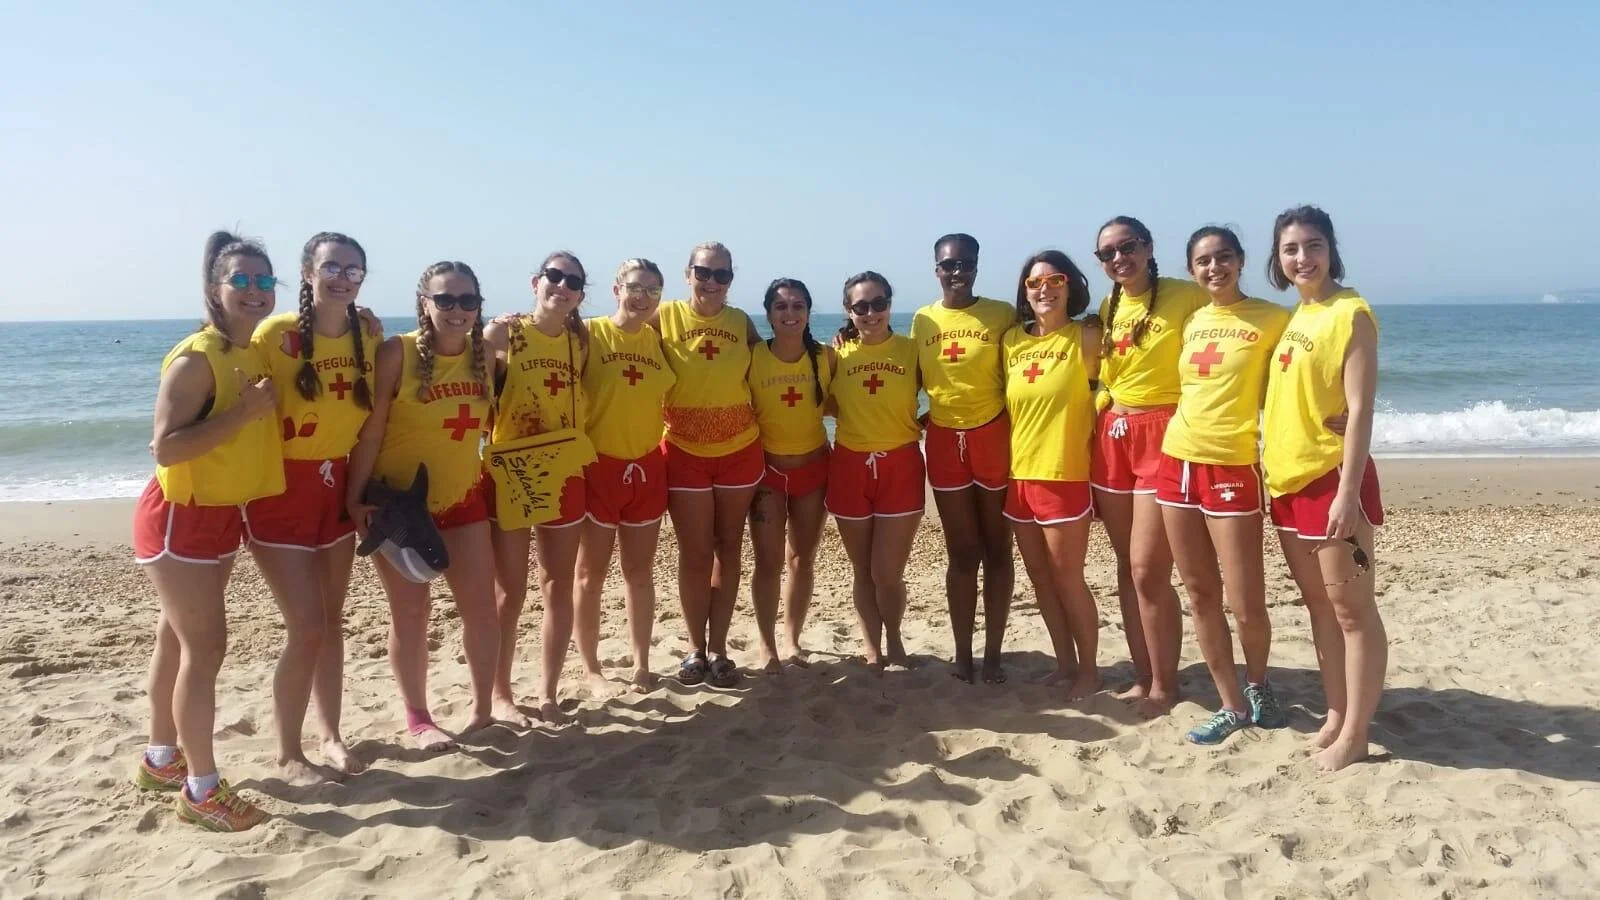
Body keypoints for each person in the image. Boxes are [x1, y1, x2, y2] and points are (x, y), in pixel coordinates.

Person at [132, 230, 285, 831]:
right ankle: (201, 790)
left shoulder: (248, 351)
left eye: (263, 281)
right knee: (206, 648)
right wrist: (245, 413)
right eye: (240, 280)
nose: (253, 291)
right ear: (214, 289)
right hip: (180, 517)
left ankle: (161, 758)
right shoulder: (198, 357)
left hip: (219, 514)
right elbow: (165, 448)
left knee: (176, 639)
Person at [346, 260, 500, 751]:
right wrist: (354, 499)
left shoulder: (487, 358)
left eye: (467, 301)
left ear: (479, 305)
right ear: (425, 304)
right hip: (400, 510)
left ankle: (481, 709)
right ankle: (418, 718)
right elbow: (370, 432)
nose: (457, 310)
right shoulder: (397, 353)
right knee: (411, 614)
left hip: (463, 498)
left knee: (481, 609)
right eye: (445, 300)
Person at [245, 232, 376, 782]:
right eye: (332, 267)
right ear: (307, 272)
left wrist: (356, 491)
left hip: (336, 487)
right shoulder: (273, 336)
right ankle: (288, 753)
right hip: (278, 489)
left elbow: (368, 423)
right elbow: (234, 399)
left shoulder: (366, 334)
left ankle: (331, 737)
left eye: (353, 270)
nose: (343, 277)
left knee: (331, 623)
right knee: (306, 626)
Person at [1262, 205, 1386, 772]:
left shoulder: (1350, 313)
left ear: (1331, 248)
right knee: (1319, 609)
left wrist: (1348, 491)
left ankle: (1356, 734)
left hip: (1332, 480)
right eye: (1290, 249)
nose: (1302, 258)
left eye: (1312, 246)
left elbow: (1360, 410)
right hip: (1287, 480)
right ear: (1278, 258)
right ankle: (1336, 714)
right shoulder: (1299, 315)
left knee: (1353, 612)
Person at [1155, 226, 1291, 744]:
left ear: (1240, 261)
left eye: (1224, 257)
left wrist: (1340, 412)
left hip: (1233, 464)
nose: (1215, 268)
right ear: (1192, 270)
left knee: (1245, 599)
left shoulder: (1273, 319)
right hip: (1176, 459)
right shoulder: (1192, 322)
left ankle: (1259, 684)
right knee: (1199, 593)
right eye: (1204, 261)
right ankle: (1230, 704)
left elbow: (1302, 377)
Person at [1090, 216, 1210, 715]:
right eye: (1107, 253)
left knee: (1147, 567)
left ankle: (1165, 683)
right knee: (1127, 566)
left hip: (1164, 434)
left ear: (1148, 246)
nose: (1119, 258)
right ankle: (1144, 674)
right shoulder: (1108, 305)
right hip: (1113, 435)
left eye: (1128, 246)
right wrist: (1101, 403)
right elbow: (1104, 374)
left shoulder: (1189, 296)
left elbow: (1238, 343)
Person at [484, 251, 589, 725]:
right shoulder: (503, 334)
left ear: (580, 295)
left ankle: (547, 691)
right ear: (535, 282)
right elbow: (478, 401)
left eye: (572, 281)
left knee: (557, 583)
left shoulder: (579, 342)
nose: (561, 285)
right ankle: (500, 693)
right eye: (554, 276)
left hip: (564, 470)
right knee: (509, 591)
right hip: (512, 471)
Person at [912, 233, 1017, 684]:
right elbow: (907, 372)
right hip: (943, 440)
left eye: (966, 263)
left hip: (992, 436)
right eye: (948, 264)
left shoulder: (1001, 315)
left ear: (976, 266)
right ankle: (961, 654)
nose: (957, 271)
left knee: (997, 548)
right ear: (936, 268)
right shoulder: (922, 321)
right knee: (961, 552)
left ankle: (993, 654)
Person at [657, 242, 762, 688]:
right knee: (695, 553)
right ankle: (694, 648)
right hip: (683, 452)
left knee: (729, 548)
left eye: (722, 275)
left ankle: (719, 648)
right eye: (704, 272)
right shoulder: (662, 317)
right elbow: (608, 337)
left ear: (731, 281)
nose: (713, 282)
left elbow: (779, 355)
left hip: (740, 450)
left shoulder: (740, 323)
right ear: (688, 274)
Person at [1001, 251, 1103, 700]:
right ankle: (1064, 664)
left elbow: (1117, 388)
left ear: (1070, 285)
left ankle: (1090, 671)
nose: (1045, 288)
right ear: (1024, 291)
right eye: (1034, 282)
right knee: (1040, 579)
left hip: (1065, 475)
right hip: (1019, 477)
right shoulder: (1010, 343)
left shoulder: (1087, 336)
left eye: (1054, 279)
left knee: (1068, 578)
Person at [574, 259, 676, 692]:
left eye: (653, 291)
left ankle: (640, 663)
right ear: (617, 289)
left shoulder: (658, 342)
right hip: (598, 466)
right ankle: (591, 668)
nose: (643, 297)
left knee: (639, 573)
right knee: (589, 575)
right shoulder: (588, 333)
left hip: (648, 466)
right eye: (635, 287)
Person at [829, 272, 924, 669]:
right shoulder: (834, 355)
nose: (871, 313)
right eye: (861, 306)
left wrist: (936, 420)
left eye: (879, 303)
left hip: (900, 464)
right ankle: (872, 646)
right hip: (849, 464)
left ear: (890, 304)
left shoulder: (912, 350)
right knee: (862, 569)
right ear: (849, 311)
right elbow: (816, 402)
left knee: (887, 571)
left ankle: (896, 638)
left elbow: (952, 389)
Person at [747, 277, 834, 672]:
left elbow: (847, 403)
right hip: (766, 474)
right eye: (780, 306)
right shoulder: (752, 357)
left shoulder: (827, 358)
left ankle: (793, 639)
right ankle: (767, 645)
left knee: (802, 558)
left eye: (798, 306)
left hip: (814, 469)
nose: (789, 313)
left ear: (809, 313)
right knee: (767, 562)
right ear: (768, 314)